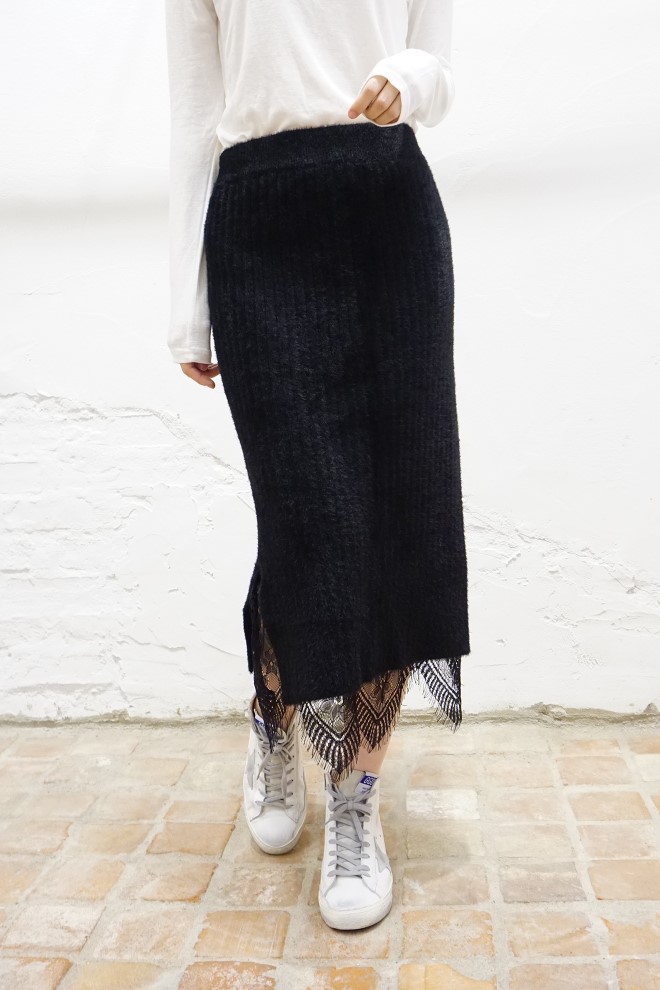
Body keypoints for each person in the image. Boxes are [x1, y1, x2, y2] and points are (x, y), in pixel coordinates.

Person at [164, 0, 470, 931]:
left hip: (387, 214)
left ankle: (354, 797)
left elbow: (438, 70)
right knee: (307, 516)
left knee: (400, 512)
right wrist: (188, 301)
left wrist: (408, 79)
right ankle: (275, 718)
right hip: (259, 222)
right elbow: (194, 118)